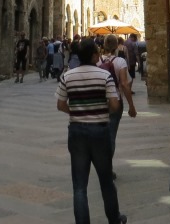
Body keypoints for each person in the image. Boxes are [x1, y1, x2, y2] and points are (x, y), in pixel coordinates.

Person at [56, 37, 127, 224]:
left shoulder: (67, 76)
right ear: (94, 55)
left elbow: (60, 104)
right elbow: (115, 105)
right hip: (99, 131)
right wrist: (101, 110)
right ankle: (114, 219)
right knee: (106, 181)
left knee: (79, 186)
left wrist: (76, 111)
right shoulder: (105, 76)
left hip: (77, 131)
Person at [100, 34, 137, 179]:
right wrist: (131, 106)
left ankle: (101, 165)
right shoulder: (120, 61)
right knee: (111, 135)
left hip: (99, 102)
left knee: (100, 135)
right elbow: (124, 84)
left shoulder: (97, 61)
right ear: (116, 46)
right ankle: (107, 169)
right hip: (115, 101)